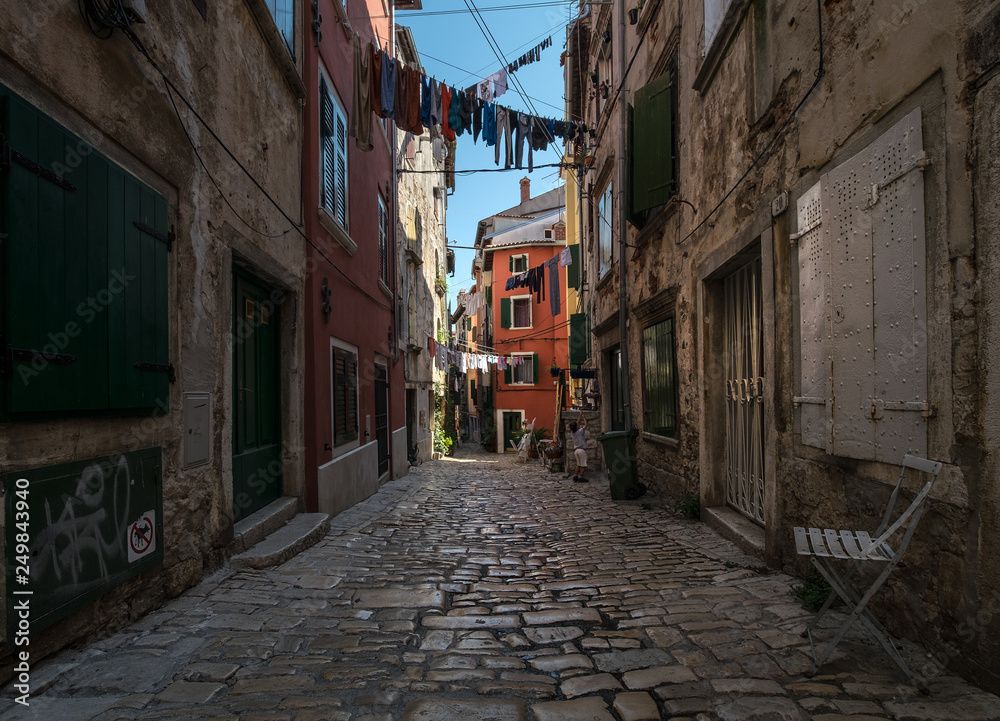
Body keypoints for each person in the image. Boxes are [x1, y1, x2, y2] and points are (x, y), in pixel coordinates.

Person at [569, 411, 587, 482]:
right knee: (583, 465)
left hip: (576, 450)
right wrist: (583, 418)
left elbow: (577, 423)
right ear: (577, 427)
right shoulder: (580, 431)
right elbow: (586, 425)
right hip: (581, 450)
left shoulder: (572, 433)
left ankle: (575, 476)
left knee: (578, 464)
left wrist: (579, 416)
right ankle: (581, 477)